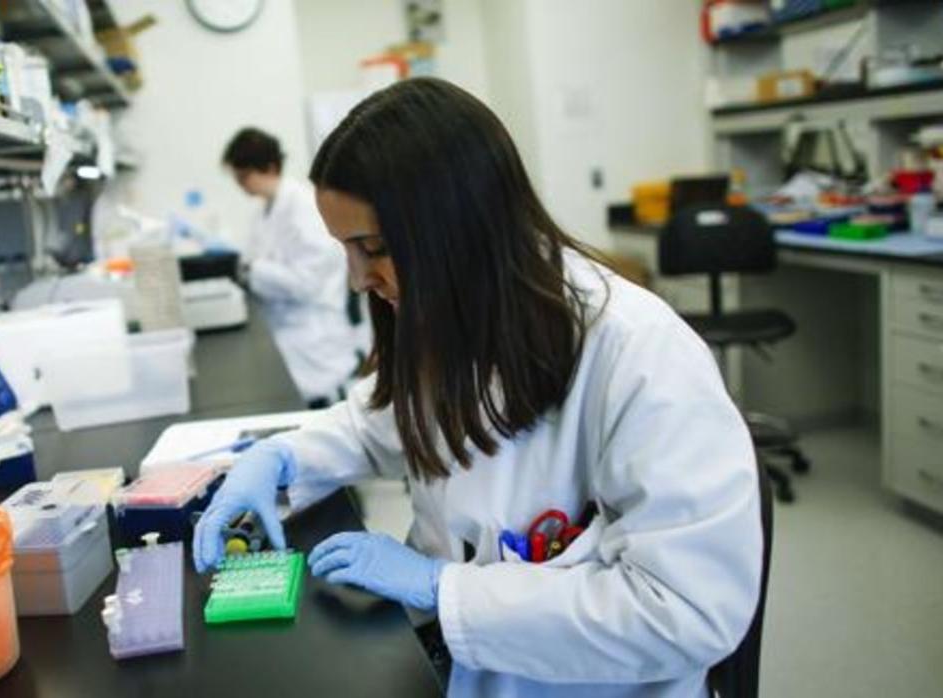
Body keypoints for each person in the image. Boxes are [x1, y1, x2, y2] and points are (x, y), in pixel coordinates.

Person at [196, 79, 761, 697]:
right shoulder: (455, 312)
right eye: (347, 251)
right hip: (449, 661)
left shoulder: (640, 355)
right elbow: (375, 424)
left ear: (456, 228)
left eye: (374, 248)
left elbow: (685, 611)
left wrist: (447, 590)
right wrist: (279, 458)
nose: (357, 279)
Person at [223, 127, 360, 408]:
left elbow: (307, 282)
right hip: (288, 333)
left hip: (314, 339)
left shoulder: (304, 205)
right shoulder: (266, 209)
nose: (240, 184)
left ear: (270, 167)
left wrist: (253, 270)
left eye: (244, 175)